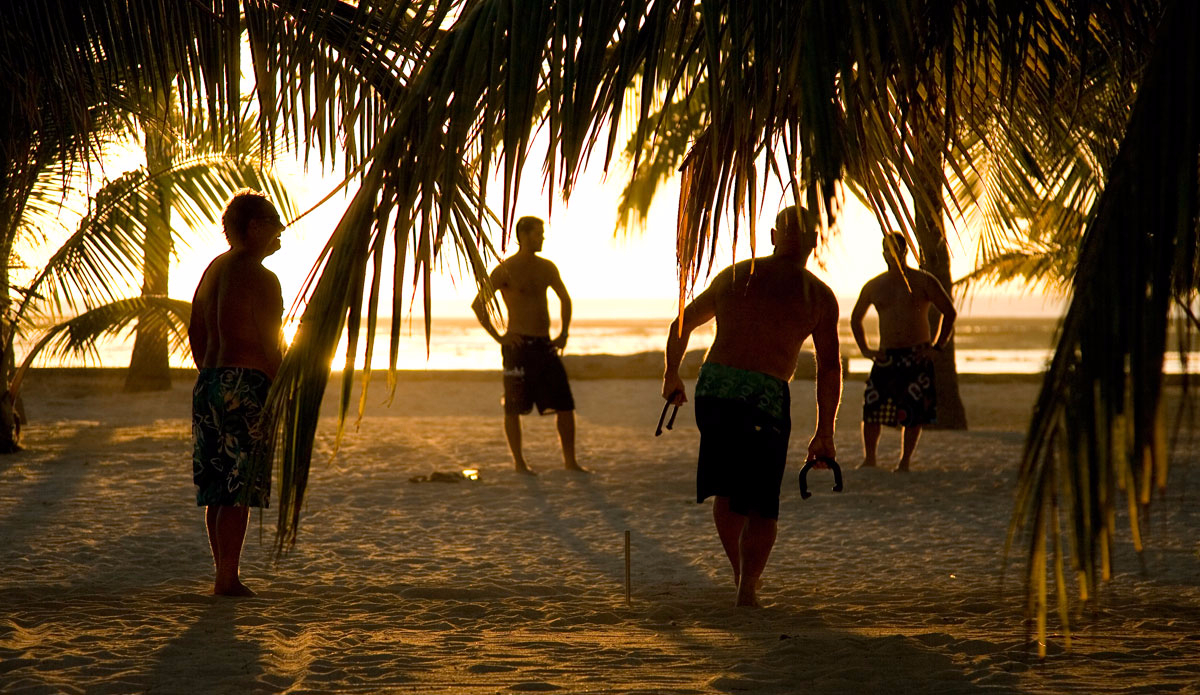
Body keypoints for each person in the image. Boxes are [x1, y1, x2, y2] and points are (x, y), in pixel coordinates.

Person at [662, 205, 842, 607]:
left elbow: (682, 324)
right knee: (760, 500)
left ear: (774, 236)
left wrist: (672, 374)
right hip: (762, 396)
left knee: (728, 491)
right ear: (815, 240)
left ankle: (742, 579)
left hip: (717, 387)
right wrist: (824, 430)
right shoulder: (818, 295)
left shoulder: (736, 275)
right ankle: (747, 585)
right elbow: (829, 368)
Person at [188, 189, 285, 596]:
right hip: (245, 386)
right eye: (274, 226)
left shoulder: (214, 269)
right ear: (255, 227)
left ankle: (225, 573)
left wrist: (213, 374)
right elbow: (268, 341)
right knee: (237, 488)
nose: (280, 235)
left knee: (218, 488)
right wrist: (280, 384)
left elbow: (195, 330)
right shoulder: (262, 278)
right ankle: (227, 578)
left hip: (209, 383)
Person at [472, 216, 585, 474]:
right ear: (523, 234)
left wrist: (564, 333)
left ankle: (570, 462)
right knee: (513, 407)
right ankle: (520, 463)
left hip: (544, 345)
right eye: (538, 233)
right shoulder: (506, 270)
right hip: (517, 347)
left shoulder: (547, 268)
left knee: (565, 404)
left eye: (542, 233)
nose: (542, 238)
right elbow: (479, 305)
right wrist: (499, 337)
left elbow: (565, 299)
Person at [850, 231, 957, 472]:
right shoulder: (874, 285)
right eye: (888, 250)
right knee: (872, 409)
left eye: (896, 249)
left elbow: (949, 312)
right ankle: (870, 459)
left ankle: (905, 461)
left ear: (904, 251)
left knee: (913, 412)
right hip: (887, 355)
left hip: (917, 354)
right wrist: (865, 350)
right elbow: (855, 319)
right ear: (883, 253)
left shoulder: (923, 281)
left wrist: (938, 347)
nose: (892, 254)